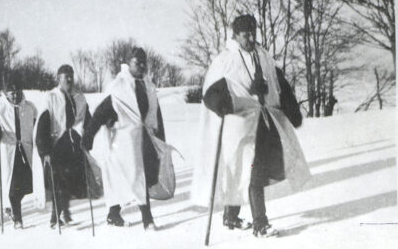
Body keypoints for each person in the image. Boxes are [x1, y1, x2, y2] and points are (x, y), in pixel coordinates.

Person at [192, 14, 310, 237]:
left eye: (253, 31)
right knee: (248, 170)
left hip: (264, 121)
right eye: (245, 33)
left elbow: (280, 83)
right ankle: (260, 224)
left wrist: (291, 109)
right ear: (235, 35)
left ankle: (231, 216)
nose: (251, 36)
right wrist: (222, 104)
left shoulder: (264, 55)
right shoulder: (226, 60)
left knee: (248, 170)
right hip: (239, 124)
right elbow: (210, 93)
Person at [82, 47, 175, 231]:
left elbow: (155, 113)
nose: (141, 66)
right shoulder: (119, 87)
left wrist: (160, 136)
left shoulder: (148, 85)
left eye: (143, 62)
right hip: (124, 142)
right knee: (134, 178)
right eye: (136, 62)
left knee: (141, 177)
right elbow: (101, 113)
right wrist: (88, 136)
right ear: (128, 64)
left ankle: (113, 213)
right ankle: (147, 219)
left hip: (145, 138)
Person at [34, 64, 92, 228]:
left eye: (71, 76)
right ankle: (54, 218)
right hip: (56, 145)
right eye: (65, 77)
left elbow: (87, 118)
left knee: (69, 182)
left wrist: (88, 136)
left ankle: (65, 213)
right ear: (58, 79)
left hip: (73, 143)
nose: (69, 80)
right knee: (58, 182)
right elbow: (43, 124)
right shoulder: (51, 97)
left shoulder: (79, 97)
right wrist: (44, 150)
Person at [0, 78, 42, 229]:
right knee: (12, 187)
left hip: (26, 151)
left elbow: (36, 126)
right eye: (11, 94)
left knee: (30, 184)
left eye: (16, 93)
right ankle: (17, 218)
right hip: (9, 152)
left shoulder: (30, 107)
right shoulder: (0, 109)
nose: (14, 96)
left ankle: (11, 208)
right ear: (6, 94)